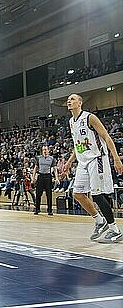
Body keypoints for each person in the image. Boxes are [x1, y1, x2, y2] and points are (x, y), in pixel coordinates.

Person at [63, 94, 122, 243]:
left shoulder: (90, 118)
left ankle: (115, 230)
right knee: (78, 194)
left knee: (97, 195)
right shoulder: (71, 121)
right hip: (83, 162)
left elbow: (107, 137)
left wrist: (116, 158)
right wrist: (69, 162)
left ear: (80, 103)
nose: (69, 101)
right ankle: (99, 220)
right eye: (68, 99)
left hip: (97, 159)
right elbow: (78, 145)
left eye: (73, 99)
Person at [32, 145, 57, 215]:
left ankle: (49, 210)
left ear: (48, 150)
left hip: (48, 177)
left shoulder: (52, 158)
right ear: (42, 151)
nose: (45, 151)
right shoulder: (38, 158)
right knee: (38, 194)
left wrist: (57, 178)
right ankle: (37, 209)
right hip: (40, 176)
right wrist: (33, 178)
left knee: (49, 194)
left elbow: (55, 169)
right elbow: (35, 168)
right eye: (43, 150)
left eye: (46, 149)